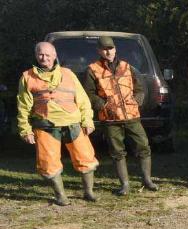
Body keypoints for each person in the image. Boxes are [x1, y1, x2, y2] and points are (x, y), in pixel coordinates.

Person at [17, 42, 99, 205]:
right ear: (36, 55)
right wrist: (25, 130)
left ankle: (88, 192)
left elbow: (82, 99)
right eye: (40, 54)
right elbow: (23, 106)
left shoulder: (68, 73)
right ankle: (61, 196)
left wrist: (87, 120)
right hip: (45, 126)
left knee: (86, 157)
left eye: (48, 55)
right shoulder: (27, 77)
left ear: (54, 56)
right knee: (48, 162)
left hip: (73, 124)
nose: (44, 58)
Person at [84, 36, 157, 196]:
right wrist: (103, 105)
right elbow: (88, 94)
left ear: (115, 49)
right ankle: (125, 185)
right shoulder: (92, 69)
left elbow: (139, 88)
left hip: (132, 115)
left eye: (110, 48)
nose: (107, 51)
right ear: (99, 50)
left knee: (143, 147)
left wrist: (137, 100)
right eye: (104, 49)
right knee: (117, 152)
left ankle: (147, 180)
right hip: (110, 119)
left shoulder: (126, 66)